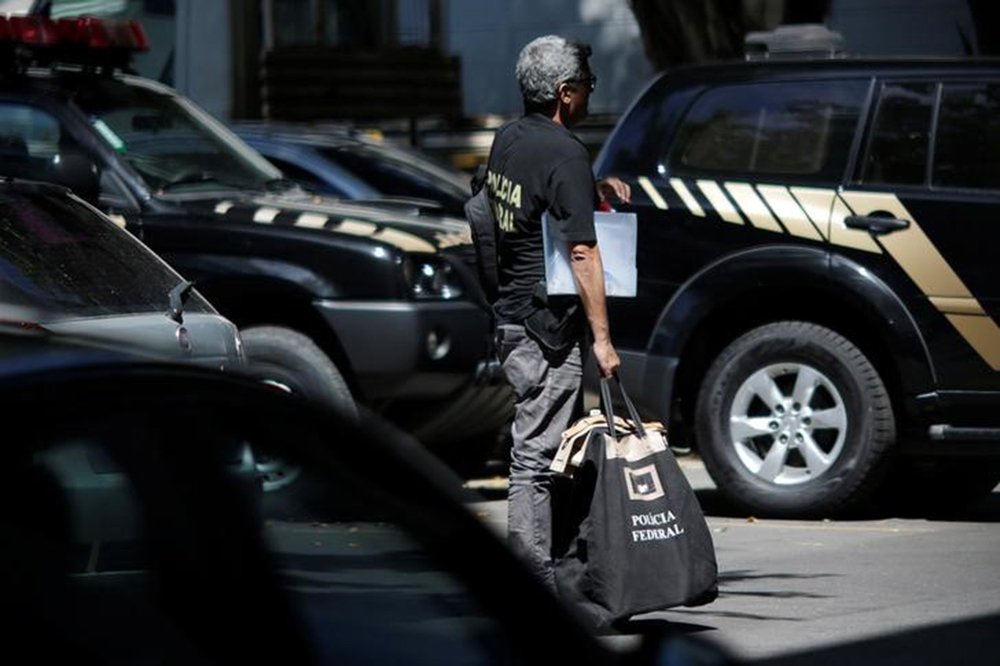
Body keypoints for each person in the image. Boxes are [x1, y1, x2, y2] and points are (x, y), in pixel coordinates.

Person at [485, 34, 630, 591]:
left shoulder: (509, 139)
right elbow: (581, 251)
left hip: (511, 319)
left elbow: (530, 200)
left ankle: (560, 572)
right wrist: (603, 340)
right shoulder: (566, 150)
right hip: (544, 330)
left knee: (547, 456)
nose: (591, 93)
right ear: (566, 94)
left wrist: (592, 189)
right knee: (536, 459)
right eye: (588, 86)